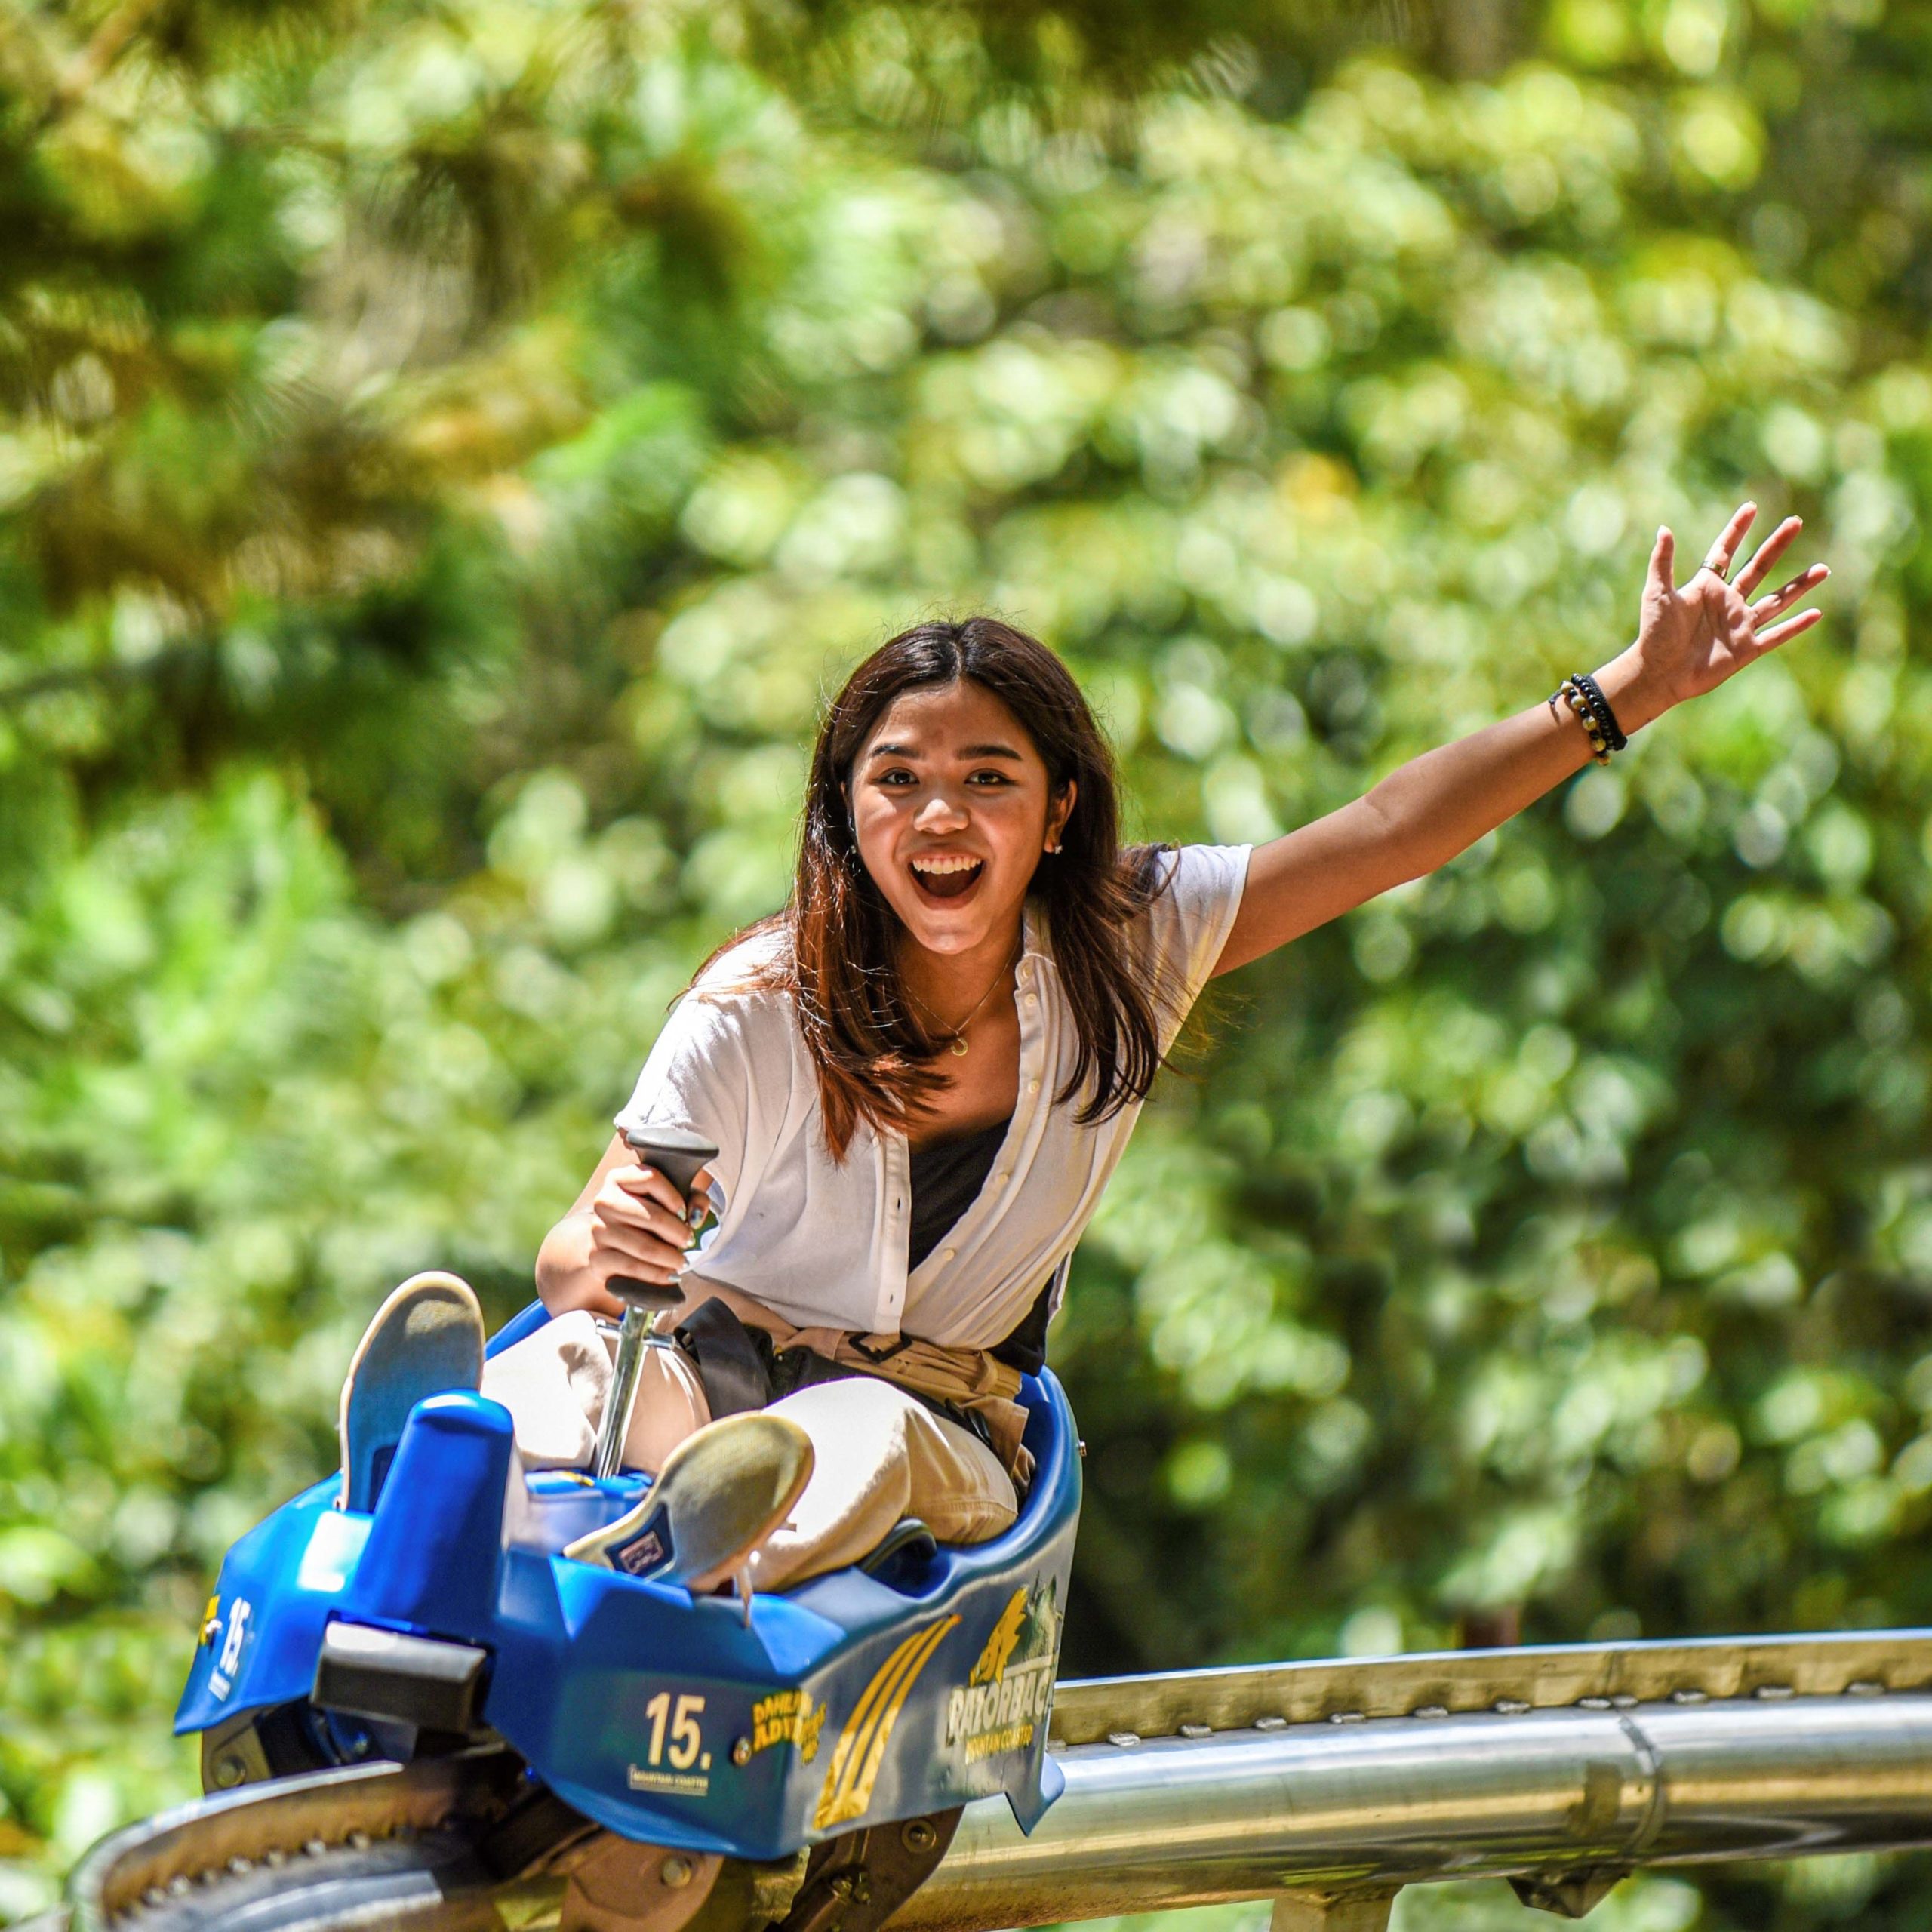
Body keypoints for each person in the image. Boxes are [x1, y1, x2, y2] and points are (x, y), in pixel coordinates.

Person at [341, 504, 1826, 1598]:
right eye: (897, 781)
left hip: (936, 1422)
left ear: (1054, 811)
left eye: (986, 780)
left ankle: (672, 1553)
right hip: (713, 1372)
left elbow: (1383, 831)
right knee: (587, 1363)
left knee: (842, 1430)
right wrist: (599, 1244)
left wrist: (1618, 693)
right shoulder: (750, 1004)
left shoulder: (1133, 936)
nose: (940, 818)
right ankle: (446, 1491)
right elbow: (574, 1263)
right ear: (842, 816)